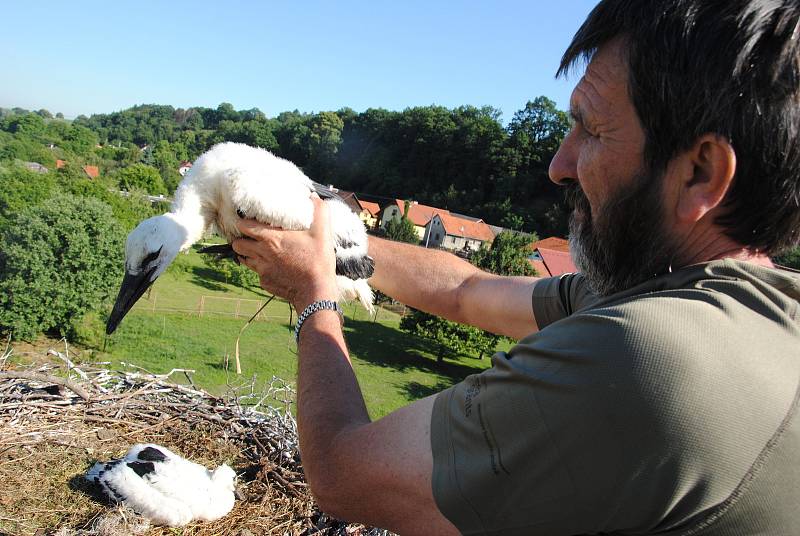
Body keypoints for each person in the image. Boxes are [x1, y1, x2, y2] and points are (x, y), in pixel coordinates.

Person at [231, 0, 800, 533]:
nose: (559, 165)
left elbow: (344, 475)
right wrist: (334, 244)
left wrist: (314, 298)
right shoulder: (722, 306)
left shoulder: (653, 359)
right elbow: (467, 289)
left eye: (593, 130)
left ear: (700, 173)